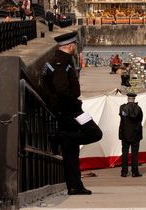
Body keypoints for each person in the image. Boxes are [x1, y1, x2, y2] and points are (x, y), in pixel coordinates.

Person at [41, 31, 103, 195]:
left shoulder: (56, 61)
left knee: (71, 152)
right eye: (74, 45)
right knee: (95, 133)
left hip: (64, 111)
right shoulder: (62, 63)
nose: (76, 47)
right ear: (69, 46)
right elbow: (62, 89)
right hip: (71, 111)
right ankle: (61, 138)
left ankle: (75, 186)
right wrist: (73, 103)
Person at [118, 92, 144, 177]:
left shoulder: (122, 108)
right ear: (134, 99)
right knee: (134, 153)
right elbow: (140, 120)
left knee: (124, 153)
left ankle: (124, 172)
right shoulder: (138, 109)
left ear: (128, 98)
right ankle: (134, 172)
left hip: (124, 133)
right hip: (135, 133)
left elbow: (122, 118)